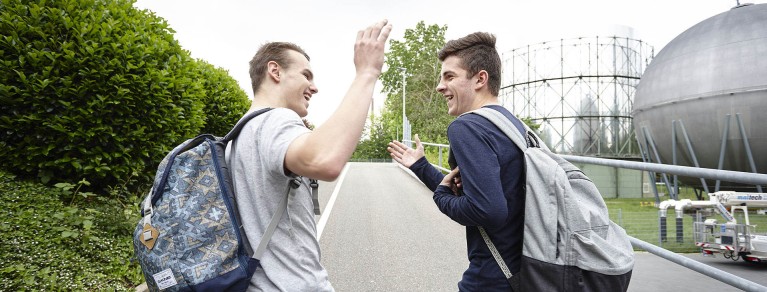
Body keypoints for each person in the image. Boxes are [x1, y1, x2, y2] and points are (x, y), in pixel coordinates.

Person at [227, 20, 392, 291]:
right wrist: (367, 73)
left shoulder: (237, 135)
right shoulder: (276, 120)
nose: (314, 87)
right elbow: (324, 160)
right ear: (274, 71)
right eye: (306, 75)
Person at [387, 32, 526, 291]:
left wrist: (441, 198)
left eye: (449, 76)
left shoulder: (468, 127)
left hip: (493, 277)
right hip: (528, 271)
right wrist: (421, 167)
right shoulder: (515, 127)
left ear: (480, 79)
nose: (440, 86)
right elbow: (479, 192)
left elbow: (489, 211)